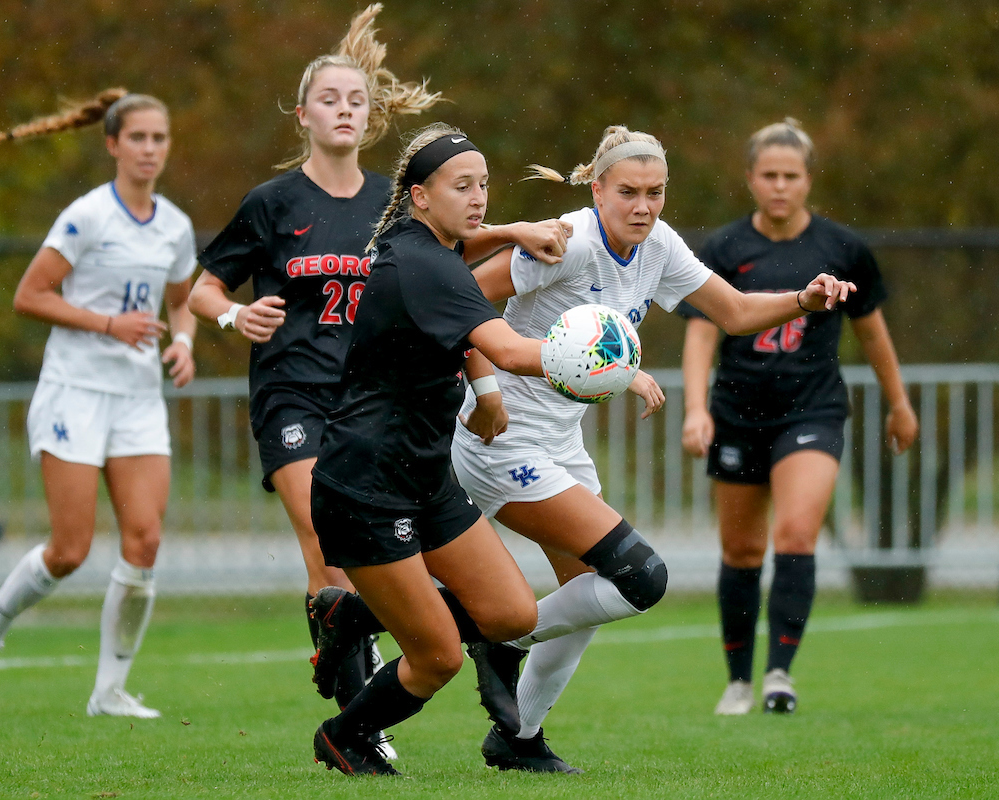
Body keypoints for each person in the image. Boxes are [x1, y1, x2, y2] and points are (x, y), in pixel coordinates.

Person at [187, 4, 571, 729]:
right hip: (297, 394)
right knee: (326, 550)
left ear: (371, 119)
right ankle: (359, 715)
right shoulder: (273, 204)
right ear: (301, 114)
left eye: (356, 99)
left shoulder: (388, 207)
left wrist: (510, 231)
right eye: (329, 98)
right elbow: (204, 288)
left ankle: (370, 631)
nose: (344, 109)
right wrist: (231, 316)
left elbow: (439, 266)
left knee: (406, 582)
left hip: (377, 400)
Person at [449, 125, 858, 772]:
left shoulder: (658, 245)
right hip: (498, 440)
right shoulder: (570, 242)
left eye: (656, 193)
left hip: (560, 439)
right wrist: (488, 389)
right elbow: (459, 301)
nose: (644, 206)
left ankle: (517, 738)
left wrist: (803, 300)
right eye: (629, 193)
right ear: (597, 188)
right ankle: (489, 633)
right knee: (638, 577)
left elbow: (736, 312)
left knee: (585, 599)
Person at [306, 122, 590, 777]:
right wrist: (605, 363)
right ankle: (343, 737)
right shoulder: (425, 265)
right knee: (438, 658)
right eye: (462, 186)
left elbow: (465, 246)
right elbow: (515, 351)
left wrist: (515, 231)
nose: (479, 197)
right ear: (420, 196)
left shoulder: (418, 240)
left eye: (484, 184)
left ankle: (351, 616)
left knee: (512, 614)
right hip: (365, 484)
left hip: (425, 478)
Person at [0, 89, 198, 719]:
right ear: (112, 145)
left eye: (159, 138)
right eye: (137, 138)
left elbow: (179, 301)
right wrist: (107, 325)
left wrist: (187, 344)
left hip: (139, 399)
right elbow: (29, 295)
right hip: (76, 391)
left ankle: (108, 691)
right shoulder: (88, 215)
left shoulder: (173, 224)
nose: (149, 149)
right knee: (71, 550)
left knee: (144, 541)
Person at [678, 119, 918, 715]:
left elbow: (873, 333)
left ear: (808, 179)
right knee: (740, 551)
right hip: (736, 412)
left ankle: (779, 674)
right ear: (751, 179)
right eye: (769, 175)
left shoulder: (842, 248)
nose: (780, 186)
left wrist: (900, 402)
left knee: (796, 533)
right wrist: (694, 410)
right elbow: (702, 335)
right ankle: (738, 682)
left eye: (791, 175)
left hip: (812, 409)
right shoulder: (726, 249)